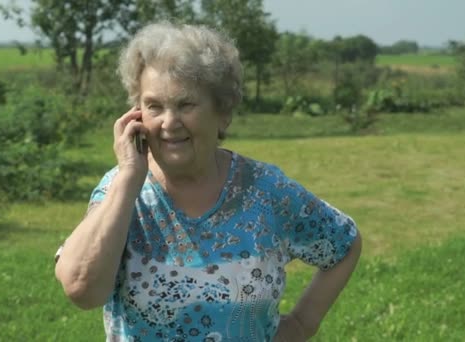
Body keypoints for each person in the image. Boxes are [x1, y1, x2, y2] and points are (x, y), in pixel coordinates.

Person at [55, 21, 362, 342]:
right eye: (154, 106)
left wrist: (301, 324)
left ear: (223, 113)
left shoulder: (267, 191)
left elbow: (344, 243)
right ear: (136, 116)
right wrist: (128, 180)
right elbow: (82, 291)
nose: (169, 123)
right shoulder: (121, 189)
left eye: (186, 104)